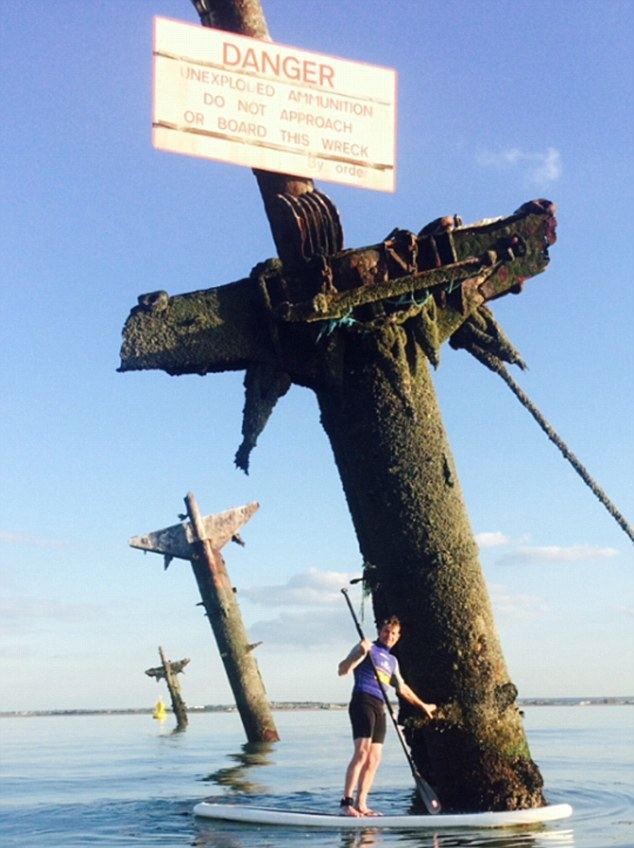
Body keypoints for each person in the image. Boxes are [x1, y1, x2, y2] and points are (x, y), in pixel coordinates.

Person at [337, 615, 436, 817]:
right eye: (386, 631)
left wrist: (423, 706)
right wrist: (359, 655)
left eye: (393, 634)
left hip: (379, 706)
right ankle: (346, 803)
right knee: (362, 752)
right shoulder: (366, 647)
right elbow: (342, 670)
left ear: (397, 637)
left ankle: (361, 804)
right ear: (380, 631)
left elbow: (402, 689)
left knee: (374, 758)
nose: (388, 636)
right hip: (362, 701)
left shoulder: (392, 661)